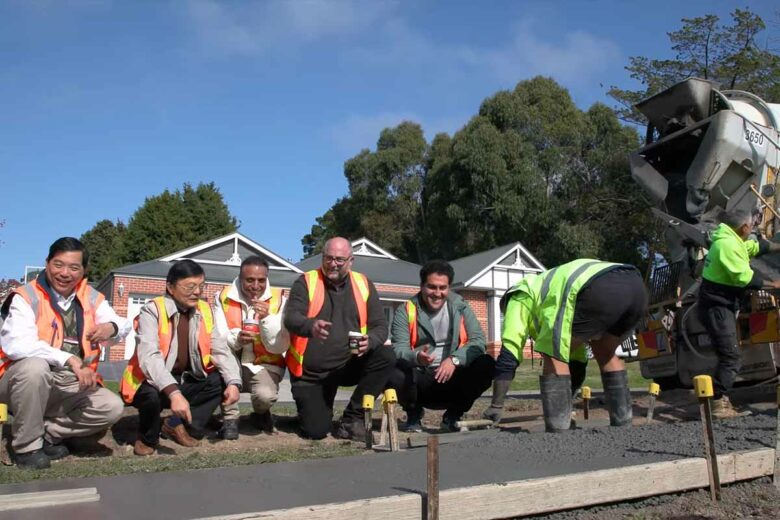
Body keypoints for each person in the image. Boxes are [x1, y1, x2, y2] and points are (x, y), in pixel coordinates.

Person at [0, 237, 128, 469]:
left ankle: (47, 433)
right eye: (58, 265)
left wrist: (112, 327)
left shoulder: (90, 297)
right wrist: (69, 358)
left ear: (84, 270)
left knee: (111, 407)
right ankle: (26, 448)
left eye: (74, 267)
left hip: (67, 384)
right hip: (18, 382)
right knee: (34, 367)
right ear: (47, 263)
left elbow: (122, 324)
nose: (65, 273)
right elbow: (17, 344)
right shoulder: (25, 296)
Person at [493, 259, 647, 432]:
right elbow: (578, 362)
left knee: (553, 352)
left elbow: (509, 352)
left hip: (597, 289)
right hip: (635, 286)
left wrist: (496, 405)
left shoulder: (518, 296)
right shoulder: (547, 288)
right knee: (605, 352)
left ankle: (558, 431)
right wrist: (567, 400)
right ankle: (623, 425)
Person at [120, 260, 242, 456]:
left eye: (201, 286)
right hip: (150, 379)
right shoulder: (151, 310)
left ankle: (174, 424)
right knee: (151, 396)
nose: (197, 292)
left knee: (219, 381)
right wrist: (174, 393)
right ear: (170, 287)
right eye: (190, 286)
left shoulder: (204, 310)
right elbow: (149, 357)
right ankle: (146, 438)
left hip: (185, 378)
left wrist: (234, 382)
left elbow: (220, 349)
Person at [283, 237, 394, 440]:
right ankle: (310, 412)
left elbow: (380, 326)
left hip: (348, 364)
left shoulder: (363, 284)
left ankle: (353, 419)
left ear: (350, 261)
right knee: (315, 431)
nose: (333, 264)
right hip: (312, 373)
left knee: (386, 355)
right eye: (328, 258)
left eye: (339, 260)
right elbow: (291, 318)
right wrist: (310, 325)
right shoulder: (306, 281)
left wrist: (370, 340)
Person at [389, 260, 494, 432]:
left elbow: (478, 341)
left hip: (453, 378)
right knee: (390, 367)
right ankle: (413, 414)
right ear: (422, 286)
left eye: (442, 288)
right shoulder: (405, 310)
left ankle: (453, 415)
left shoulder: (461, 307)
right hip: (420, 380)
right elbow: (398, 348)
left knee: (486, 363)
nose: (437, 293)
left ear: (449, 287)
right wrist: (415, 357)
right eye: (431, 287)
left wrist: (454, 360)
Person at [698, 209, 780, 418]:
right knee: (731, 356)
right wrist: (773, 284)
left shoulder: (730, 239)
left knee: (729, 354)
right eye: (752, 225)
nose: (753, 228)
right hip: (717, 307)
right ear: (744, 227)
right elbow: (744, 279)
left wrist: (775, 245)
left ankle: (717, 400)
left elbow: (752, 247)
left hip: (721, 305)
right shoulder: (726, 245)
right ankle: (718, 404)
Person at [213, 256, 287, 438]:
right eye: (249, 280)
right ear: (240, 277)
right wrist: (238, 338)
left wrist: (267, 319)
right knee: (220, 373)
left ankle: (261, 414)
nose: (255, 286)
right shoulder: (223, 297)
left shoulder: (279, 299)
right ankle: (230, 419)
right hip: (232, 360)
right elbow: (219, 338)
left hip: (264, 364)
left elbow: (280, 345)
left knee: (265, 396)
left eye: (261, 280)